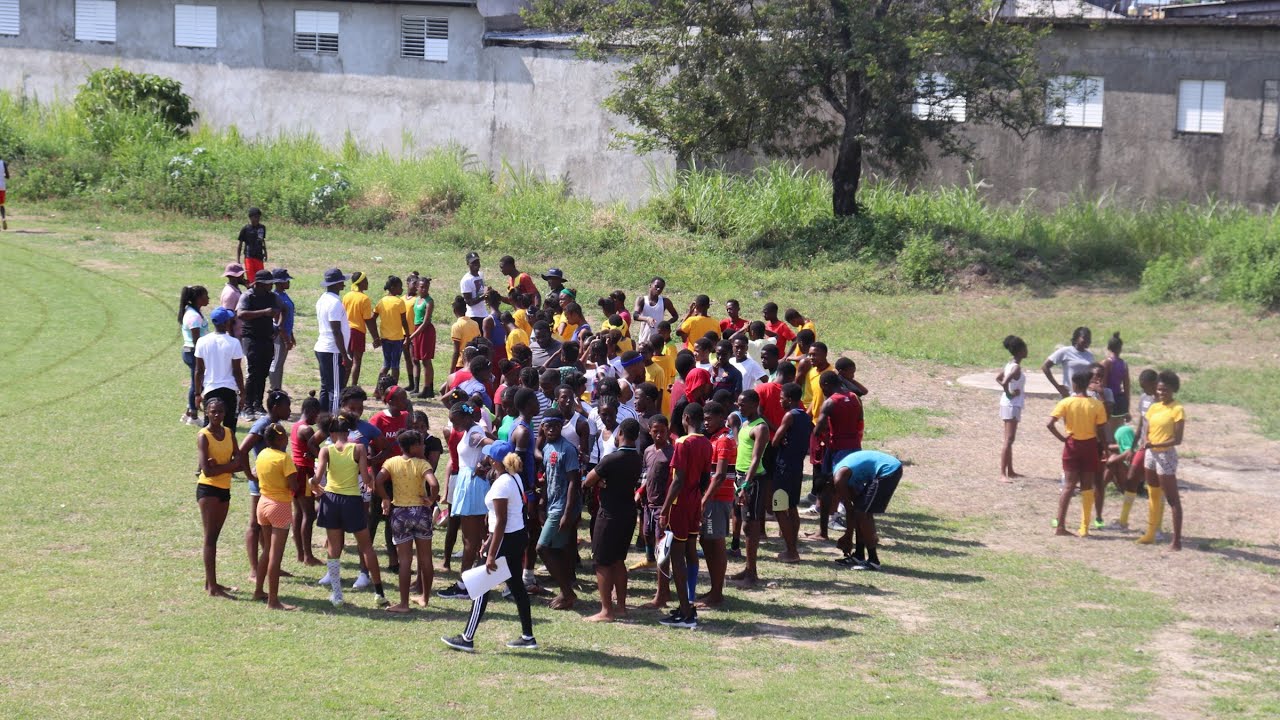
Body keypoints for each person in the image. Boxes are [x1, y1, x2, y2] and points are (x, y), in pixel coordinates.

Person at [442, 442, 538, 652]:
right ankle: (528, 636)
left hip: (506, 539)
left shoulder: (502, 484)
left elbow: (502, 520)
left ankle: (467, 638)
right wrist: (489, 541)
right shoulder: (513, 477)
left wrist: (491, 554)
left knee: (480, 586)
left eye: (489, 457)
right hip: (515, 536)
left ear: (496, 461)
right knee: (517, 588)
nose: (486, 460)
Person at [312, 415, 387, 607]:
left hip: (330, 500)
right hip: (352, 499)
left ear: (331, 433)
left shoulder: (325, 451)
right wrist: (370, 485)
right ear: (348, 432)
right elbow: (365, 474)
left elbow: (318, 477)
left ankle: (337, 594)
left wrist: (313, 486)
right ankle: (379, 593)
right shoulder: (358, 448)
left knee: (334, 548)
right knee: (366, 546)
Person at [583, 418, 643, 622]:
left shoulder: (611, 459)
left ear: (620, 434)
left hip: (609, 514)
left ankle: (606, 610)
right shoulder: (638, 458)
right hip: (628, 512)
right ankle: (621, 607)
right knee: (619, 561)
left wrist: (600, 480)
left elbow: (588, 481)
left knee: (601, 562)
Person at [659, 402, 713, 628]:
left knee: (676, 556)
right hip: (694, 502)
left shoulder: (682, 442)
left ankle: (686, 611)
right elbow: (704, 478)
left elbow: (678, 480)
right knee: (689, 552)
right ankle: (686, 604)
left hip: (679, 505)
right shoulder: (707, 443)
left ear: (687, 419)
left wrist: (664, 508)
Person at [377, 429, 441, 612]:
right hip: (421, 512)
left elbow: (378, 481)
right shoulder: (422, 464)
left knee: (404, 560)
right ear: (413, 447)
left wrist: (385, 498)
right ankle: (425, 598)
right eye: (421, 443)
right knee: (426, 558)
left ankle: (403, 604)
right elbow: (434, 484)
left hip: (400, 514)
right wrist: (431, 499)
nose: (424, 446)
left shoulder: (391, 462)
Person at [437, 402, 494, 600]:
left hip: (472, 488)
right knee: (476, 537)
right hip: (469, 484)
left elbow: (494, 444)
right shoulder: (472, 430)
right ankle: (478, 581)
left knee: (470, 540)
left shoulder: (475, 434)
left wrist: (485, 464)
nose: (453, 425)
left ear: (465, 417)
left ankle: (464, 586)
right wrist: (485, 462)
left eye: (454, 421)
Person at [1047, 370, 1108, 538]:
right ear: (1088, 384)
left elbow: (1050, 424)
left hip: (1072, 445)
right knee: (1087, 487)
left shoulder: (1066, 402)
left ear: (1074, 384)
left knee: (1068, 486)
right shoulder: (1096, 405)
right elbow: (1102, 430)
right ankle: (1084, 527)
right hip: (1089, 446)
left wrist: (1063, 439)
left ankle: (1060, 525)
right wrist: (1105, 448)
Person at [239, 390, 293, 582]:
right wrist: (249, 475)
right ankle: (254, 570)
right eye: (287, 406)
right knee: (255, 525)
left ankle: (271, 565)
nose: (290, 410)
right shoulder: (263, 424)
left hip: (273, 485)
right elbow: (242, 450)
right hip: (262, 486)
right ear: (276, 407)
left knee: (266, 527)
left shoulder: (275, 425)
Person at [251, 422, 300, 610]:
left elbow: (256, 474)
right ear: (280, 439)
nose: (287, 439)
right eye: (285, 437)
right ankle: (273, 600)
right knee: (275, 556)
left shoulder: (262, 454)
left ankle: (258, 591)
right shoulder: (284, 458)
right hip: (279, 506)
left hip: (262, 504)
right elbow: (293, 486)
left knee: (267, 551)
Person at [196, 396, 241, 599]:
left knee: (215, 537)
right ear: (206, 412)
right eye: (213, 411)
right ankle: (212, 587)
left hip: (224, 488)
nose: (217, 415)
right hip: (209, 490)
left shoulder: (230, 432)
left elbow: (239, 462)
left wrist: (221, 467)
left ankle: (211, 581)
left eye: (220, 411)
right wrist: (228, 467)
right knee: (210, 538)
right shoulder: (203, 435)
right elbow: (206, 470)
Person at [538, 413, 583, 610]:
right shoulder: (547, 447)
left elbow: (574, 481)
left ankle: (567, 592)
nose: (551, 429)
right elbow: (548, 478)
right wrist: (542, 502)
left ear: (561, 426)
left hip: (562, 507)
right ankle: (566, 592)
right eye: (548, 425)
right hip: (551, 505)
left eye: (556, 425)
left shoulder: (568, 449)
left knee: (542, 547)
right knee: (556, 549)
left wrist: (567, 512)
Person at [832, 450, 904, 571]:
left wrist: (848, 537)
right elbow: (852, 509)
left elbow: (850, 510)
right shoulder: (843, 477)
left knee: (863, 514)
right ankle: (859, 555)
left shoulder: (839, 479)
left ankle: (873, 561)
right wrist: (848, 536)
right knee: (860, 511)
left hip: (888, 470)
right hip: (884, 469)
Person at [1139, 370, 1185, 550]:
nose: (1160, 393)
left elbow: (1178, 439)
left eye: (1165, 390)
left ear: (1173, 389)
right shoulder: (1154, 407)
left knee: (1172, 498)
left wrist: (1155, 444)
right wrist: (1146, 442)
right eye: (1159, 389)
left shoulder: (1177, 409)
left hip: (1165, 455)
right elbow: (1147, 431)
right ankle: (1151, 532)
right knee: (1153, 493)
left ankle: (1177, 540)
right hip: (1151, 454)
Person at [730, 390, 770, 586]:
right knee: (740, 520)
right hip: (740, 477)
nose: (739, 407)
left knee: (750, 524)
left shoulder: (761, 427)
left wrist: (746, 483)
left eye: (743, 404)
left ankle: (752, 572)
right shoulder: (745, 423)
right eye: (738, 404)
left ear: (755, 404)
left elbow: (756, 458)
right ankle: (747, 568)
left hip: (752, 480)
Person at [698, 401, 735, 607]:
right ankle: (714, 589)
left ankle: (717, 594)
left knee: (716, 544)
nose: (706, 422)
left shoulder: (723, 440)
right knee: (707, 541)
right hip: (713, 498)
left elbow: (720, 475)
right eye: (704, 418)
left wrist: (704, 499)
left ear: (722, 418)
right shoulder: (714, 438)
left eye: (709, 418)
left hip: (717, 499)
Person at [770, 382, 811, 562]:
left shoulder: (789, 416)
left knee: (779, 508)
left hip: (783, 468)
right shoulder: (805, 416)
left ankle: (791, 551)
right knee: (792, 507)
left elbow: (775, 441)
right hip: (797, 467)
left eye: (781, 398)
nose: (780, 401)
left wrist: (782, 439)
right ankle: (792, 546)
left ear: (789, 399)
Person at [236, 269, 282, 418]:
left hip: (267, 339)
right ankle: (247, 406)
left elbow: (284, 309)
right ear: (260, 284)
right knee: (253, 373)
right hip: (251, 339)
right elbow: (241, 314)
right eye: (269, 283)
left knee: (263, 373)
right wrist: (263, 312)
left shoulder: (272, 296)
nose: (272, 285)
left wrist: (278, 327)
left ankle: (258, 404)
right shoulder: (248, 296)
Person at [193, 307, 245, 433]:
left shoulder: (202, 341)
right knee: (229, 429)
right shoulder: (234, 343)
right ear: (226, 323)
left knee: (208, 428)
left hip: (210, 390)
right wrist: (243, 393)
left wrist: (197, 394)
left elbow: (199, 371)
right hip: (229, 391)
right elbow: (237, 371)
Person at [289, 393, 324, 567]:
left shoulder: (295, 426)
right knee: (309, 514)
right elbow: (314, 448)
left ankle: (301, 554)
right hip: (304, 471)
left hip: (296, 470)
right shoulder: (307, 429)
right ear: (311, 411)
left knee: (299, 513)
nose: (317, 418)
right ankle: (308, 556)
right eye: (317, 414)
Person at [314, 268, 352, 415]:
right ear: (336, 284)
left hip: (323, 347)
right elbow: (336, 330)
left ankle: (323, 419)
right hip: (333, 350)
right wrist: (345, 355)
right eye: (341, 281)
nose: (344, 284)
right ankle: (334, 424)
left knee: (325, 387)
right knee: (336, 390)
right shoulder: (335, 303)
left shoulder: (322, 299)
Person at [996, 335, 1028, 482]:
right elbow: (1004, 381)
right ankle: (1003, 473)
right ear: (1020, 351)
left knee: (1009, 439)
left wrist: (1007, 393)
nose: (1027, 350)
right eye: (1025, 348)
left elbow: (998, 378)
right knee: (1008, 440)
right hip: (1011, 405)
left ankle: (1010, 470)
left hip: (1009, 404)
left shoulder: (1010, 364)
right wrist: (1010, 393)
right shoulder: (1016, 368)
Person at [179, 285, 210, 425]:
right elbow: (197, 340)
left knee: (197, 383)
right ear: (198, 298)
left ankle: (188, 413)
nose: (208, 298)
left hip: (191, 352)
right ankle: (193, 416)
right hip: (194, 352)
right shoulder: (193, 316)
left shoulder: (193, 312)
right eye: (206, 296)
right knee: (197, 384)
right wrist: (202, 356)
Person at [372, 275, 410, 387]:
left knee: (386, 364)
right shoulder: (399, 302)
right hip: (397, 339)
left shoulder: (381, 301)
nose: (402, 289)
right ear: (393, 288)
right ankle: (392, 390)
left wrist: (376, 336)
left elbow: (372, 318)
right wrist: (407, 336)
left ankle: (378, 389)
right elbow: (404, 321)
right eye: (400, 287)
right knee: (395, 366)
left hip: (384, 338)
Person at [343, 272, 378, 389]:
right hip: (357, 331)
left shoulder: (347, 296)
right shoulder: (364, 299)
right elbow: (368, 320)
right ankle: (353, 387)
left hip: (346, 331)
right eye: (366, 280)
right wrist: (376, 338)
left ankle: (343, 386)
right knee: (356, 361)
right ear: (361, 282)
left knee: (346, 359)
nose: (367, 283)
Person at [1042, 326, 1094, 398]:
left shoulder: (1090, 355)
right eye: (1084, 337)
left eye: (1089, 338)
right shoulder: (1066, 351)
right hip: (1069, 395)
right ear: (1076, 338)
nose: (1087, 340)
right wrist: (1058, 387)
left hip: (1085, 395)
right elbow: (1045, 366)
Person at [407, 276, 436, 399]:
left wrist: (411, 336)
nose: (424, 289)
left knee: (426, 360)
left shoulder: (429, 301)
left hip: (425, 331)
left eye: (426, 287)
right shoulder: (417, 299)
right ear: (417, 287)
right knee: (418, 359)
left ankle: (427, 388)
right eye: (422, 287)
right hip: (417, 329)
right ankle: (425, 388)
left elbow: (425, 322)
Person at [268, 269, 296, 393]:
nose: (289, 282)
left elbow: (288, 318)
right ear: (279, 282)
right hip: (280, 335)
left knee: (280, 362)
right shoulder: (276, 297)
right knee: (276, 362)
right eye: (286, 280)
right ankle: (274, 388)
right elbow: (278, 321)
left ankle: (277, 387)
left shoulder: (283, 294)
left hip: (286, 333)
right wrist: (286, 339)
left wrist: (291, 335)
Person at [633, 276, 679, 346]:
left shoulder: (665, 301)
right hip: (644, 340)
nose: (658, 289)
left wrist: (666, 323)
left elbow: (675, 316)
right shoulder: (641, 300)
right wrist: (647, 319)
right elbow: (635, 316)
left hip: (658, 341)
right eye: (656, 286)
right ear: (650, 285)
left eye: (661, 288)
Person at [1102, 331, 1130, 430]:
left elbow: (1103, 385)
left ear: (1108, 347)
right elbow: (1127, 387)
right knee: (1118, 429)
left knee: (1107, 431)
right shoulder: (1124, 364)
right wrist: (1127, 409)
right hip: (1119, 400)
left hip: (1108, 400)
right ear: (1120, 348)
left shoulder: (1106, 363)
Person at [449, 295, 481, 372]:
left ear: (454, 310)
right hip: (473, 362)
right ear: (466, 309)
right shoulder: (475, 324)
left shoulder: (456, 326)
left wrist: (451, 371)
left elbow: (456, 352)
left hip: (461, 364)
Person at [235, 208, 268, 282]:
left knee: (261, 278)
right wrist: (238, 260)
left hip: (259, 256)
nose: (257, 219)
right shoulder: (245, 229)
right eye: (255, 217)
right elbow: (240, 245)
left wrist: (265, 252)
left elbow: (262, 241)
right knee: (251, 279)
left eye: (259, 217)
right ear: (250, 217)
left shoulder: (262, 228)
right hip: (249, 257)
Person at [461, 251, 488, 328]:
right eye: (473, 262)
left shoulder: (480, 274)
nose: (476, 264)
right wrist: (484, 296)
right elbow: (469, 302)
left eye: (477, 261)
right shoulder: (466, 280)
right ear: (468, 263)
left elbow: (482, 288)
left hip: (484, 313)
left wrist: (487, 290)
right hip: (473, 316)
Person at [219, 262, 246, 339]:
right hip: (235, 335)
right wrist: (232, 339)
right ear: (234, 277)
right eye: (241, 275)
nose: (243, 277)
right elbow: (228, 318)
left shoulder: (235, 290)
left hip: (239, 333)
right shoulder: (230, 293)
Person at [483, 289, 508, 364]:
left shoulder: (488, 320)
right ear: (499, 302)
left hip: (494, 355)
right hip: (506, 352)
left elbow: (486, 342)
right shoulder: (505, 316)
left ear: (487, 302)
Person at [0, 154, 10, 229]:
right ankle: (3, 218)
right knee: (1, 205)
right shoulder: (3, 163)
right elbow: (8, 176)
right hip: (2, 187)